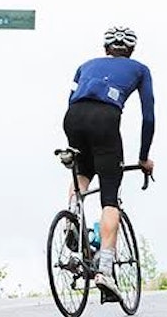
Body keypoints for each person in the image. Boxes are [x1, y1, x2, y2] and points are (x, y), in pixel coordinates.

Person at [63, 26, 156, 296]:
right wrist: (143, 157)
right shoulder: (140, 69)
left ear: (105, 49)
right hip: (105, 120)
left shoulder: (84, 66)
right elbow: (148, 117)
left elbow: (71, 99)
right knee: (109, 197)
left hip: (73, 117)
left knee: (81, 173)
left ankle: (72, 221)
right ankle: (105, 269)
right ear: (131, 50)